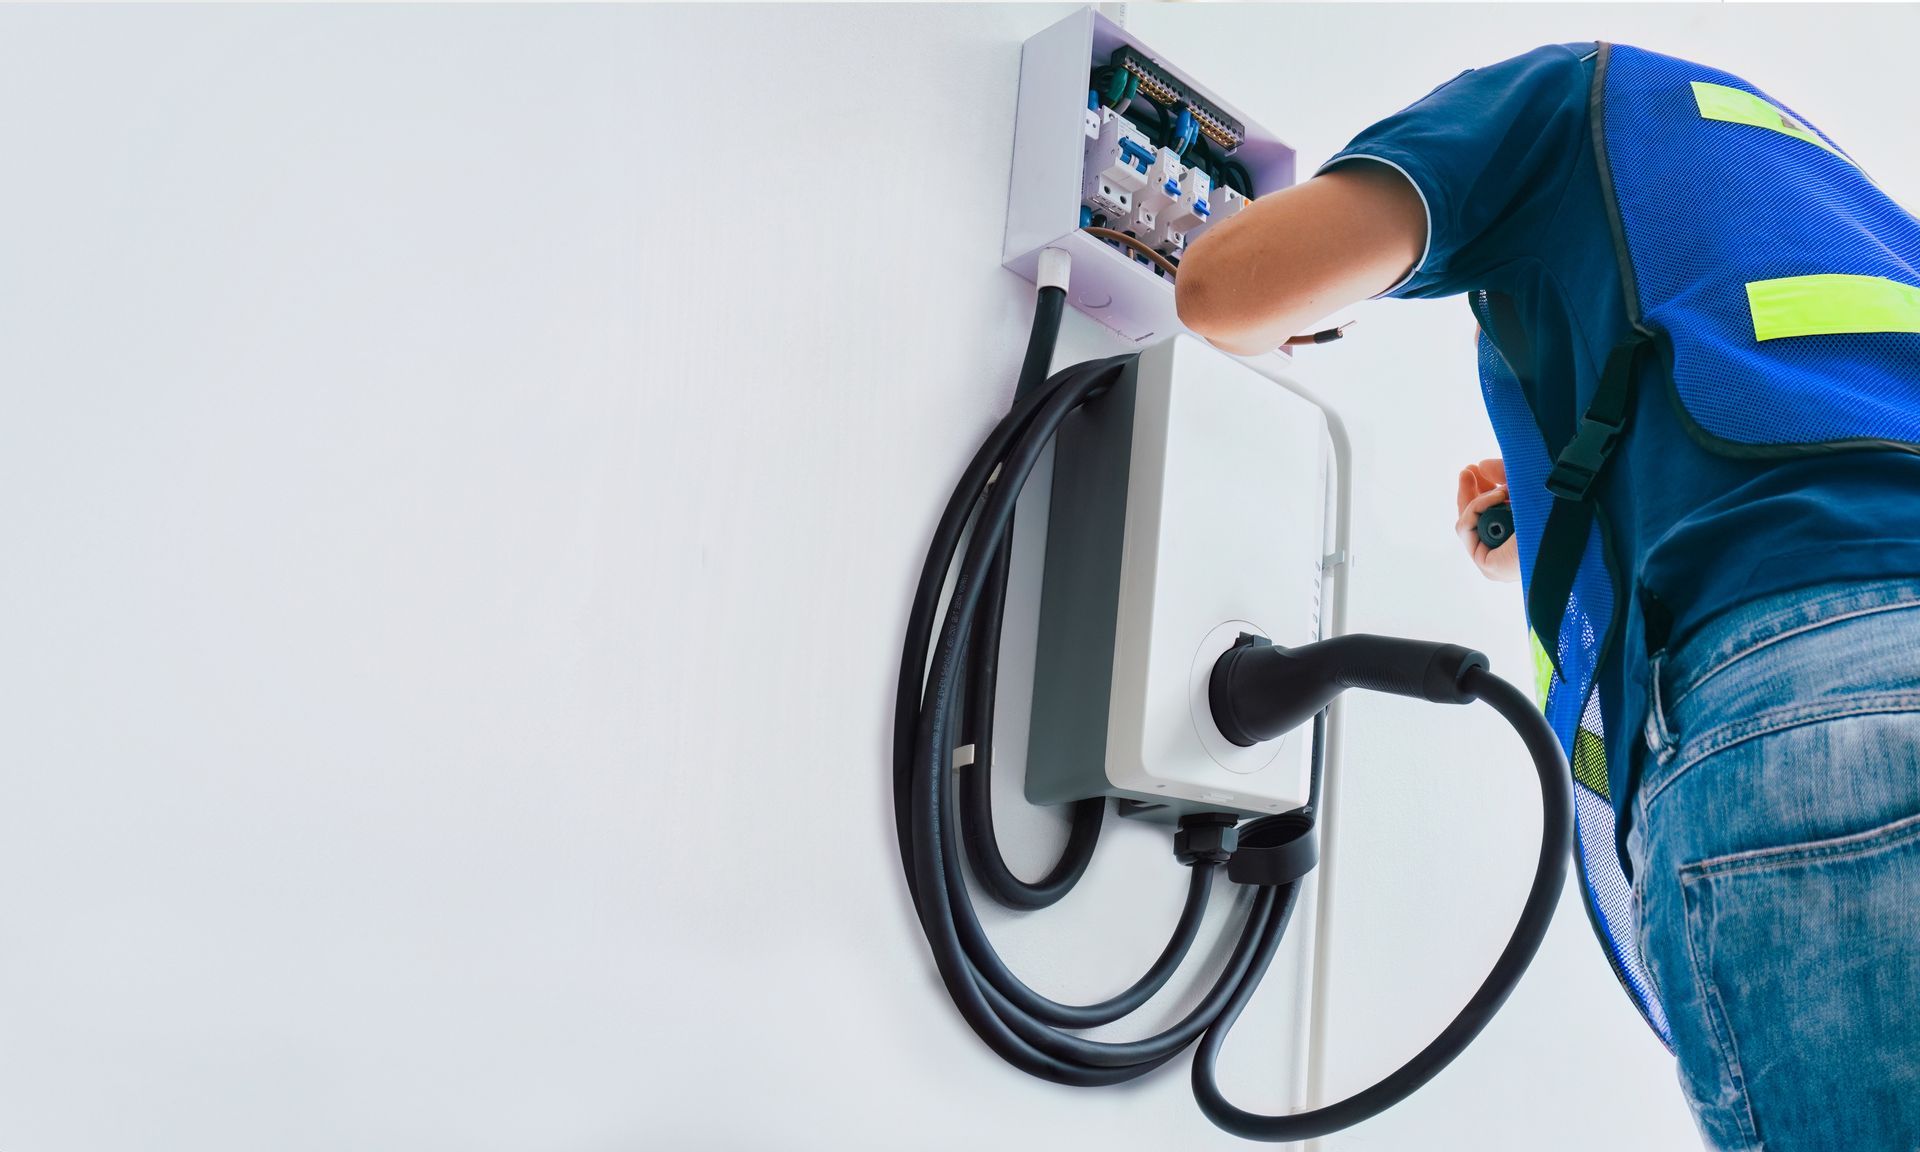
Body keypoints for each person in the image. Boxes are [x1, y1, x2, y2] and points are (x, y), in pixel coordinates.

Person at [1175, 41, 1920, 1152]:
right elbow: (1795, 430)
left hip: (1812, 699)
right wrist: (1560, 523)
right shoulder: (1861, 218)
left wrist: (1290, 309)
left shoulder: (1572, 94)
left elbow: (1223, 288)